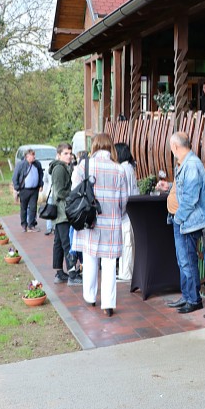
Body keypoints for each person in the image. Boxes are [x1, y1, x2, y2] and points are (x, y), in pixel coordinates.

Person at [156, 132, 205, 314]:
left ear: (175, 146)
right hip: (185, 221)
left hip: (188, 222)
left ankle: (193, 299)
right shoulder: (186, 163)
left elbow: (191, 198)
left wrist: (178, 217)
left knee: (187, 261)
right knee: (184, 260)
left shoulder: (191, 164)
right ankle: (187, 296)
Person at [71, 133, 127, 317]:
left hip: (89, 220)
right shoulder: (119, 169)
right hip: (111, 221)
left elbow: (75, 192)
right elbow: (123, 200)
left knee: (90, 259)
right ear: (110, 147)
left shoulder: (83, 166)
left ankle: (90, 296)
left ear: (94, 146)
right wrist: (118, 213)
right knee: (110, 263)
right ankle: (108, 304)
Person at [48, 143, 80, 285]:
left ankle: (59, 272)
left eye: (70, 153)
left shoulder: (61, 167)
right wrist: (74, 193)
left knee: (59, 243)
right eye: (66, 153)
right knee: (67, 242)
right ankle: (72, 273)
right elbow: (59, 192)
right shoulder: (60, 169)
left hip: (61, 211)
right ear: (59, 155)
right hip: (62, 212)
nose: (69, 156)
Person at [115, 143, 139, 282]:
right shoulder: (129, 167)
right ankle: (126, 271)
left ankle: (126, 272)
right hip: (131, 210)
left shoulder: (123, 169)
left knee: (127, 243)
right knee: (128, 242)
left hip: (126, 212)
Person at [12, 149, 44, 232]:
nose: (34, 157)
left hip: (34, 190)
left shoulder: (37, 164)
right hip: (24, 190)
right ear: (27, 156)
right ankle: (24, 225)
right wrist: (17, 188)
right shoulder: (21, 165)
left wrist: (41, 184)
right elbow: (15, 176)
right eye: (32, 155)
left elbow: (41, 174)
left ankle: (31, 225)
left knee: (33, 207)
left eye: (34, 155)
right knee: (24, 208)